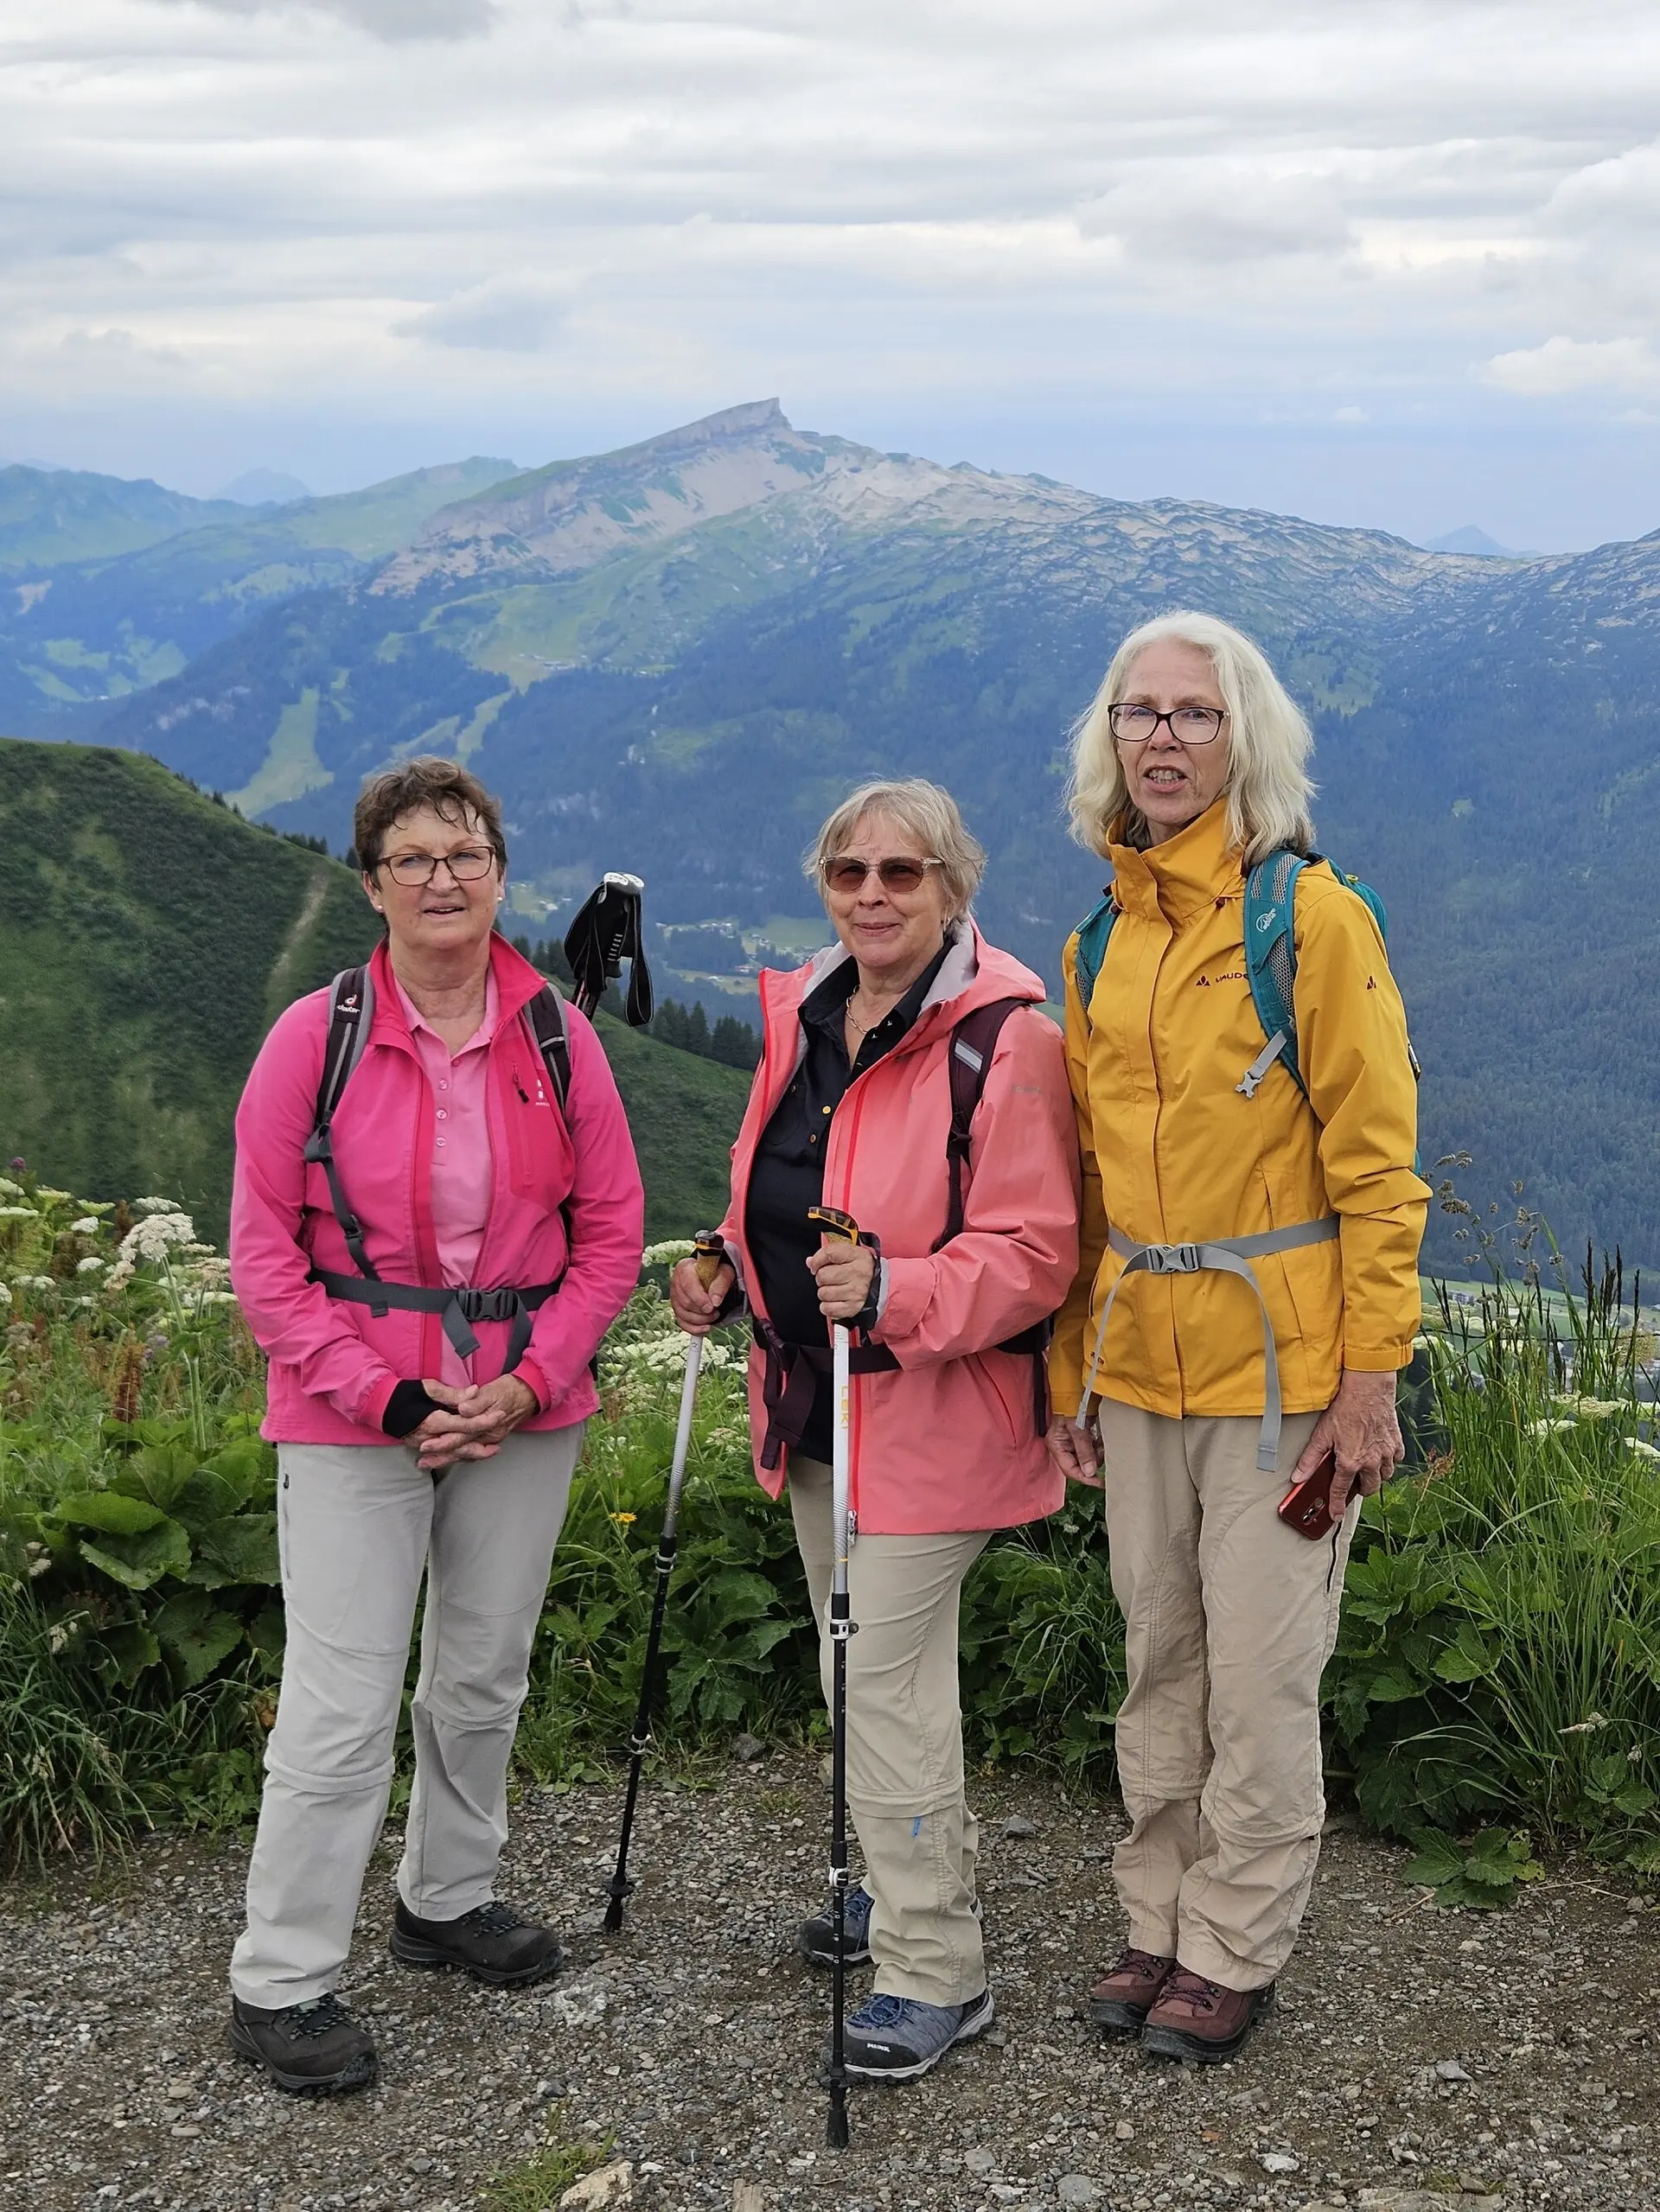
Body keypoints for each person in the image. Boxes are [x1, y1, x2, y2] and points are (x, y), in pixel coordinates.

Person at [227, 757, 643, 2094]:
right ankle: (282, 1976)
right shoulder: (317, 1034)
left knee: (480, 1677)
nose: (442, 880)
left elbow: (612, 1236)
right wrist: (393, 1394)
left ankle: (445, 1896)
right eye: (412, 859)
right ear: (371, 884)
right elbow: (264, 1258)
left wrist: (526, 1383)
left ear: (501, 874)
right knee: (341, 1705)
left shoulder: (558, 1040)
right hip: (357, 1414)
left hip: (523, 1406)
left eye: (465, 855)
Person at [1047, 612, 1429, 2064]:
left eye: (1194, 716)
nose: (1161, 738)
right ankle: (1158, 1913)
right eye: (1137, 712)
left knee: (1263, 1674)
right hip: (1139, 1363)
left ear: (1245, 737)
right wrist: (1067, 1366)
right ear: (1110, 739)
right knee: (1160, 1657)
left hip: (1284, 1375)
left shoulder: (1311, 921)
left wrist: (1372, 1379)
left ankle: (1235, 1941)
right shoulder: (1102, 942)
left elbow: (1380, 1166)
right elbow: (1086, 1189)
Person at [669, 778, 1079, 2084]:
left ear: (954, 884)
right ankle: (899, 1892)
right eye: (850, 871)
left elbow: (1036, 1251)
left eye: (903, 873)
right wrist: (724, 1267)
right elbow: (773, 1189)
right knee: (883, 1676)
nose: (873, 894)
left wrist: (899, 1289)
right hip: (813, 1406)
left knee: (875, 1682)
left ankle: (932, 1968)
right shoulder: (805, 1016)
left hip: (933, 1415)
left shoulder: (1004, 1038)